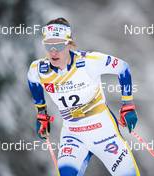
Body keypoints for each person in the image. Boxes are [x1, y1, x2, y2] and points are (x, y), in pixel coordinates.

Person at [27, 17, 141, 176]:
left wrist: (128, 105)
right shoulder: (39, 69)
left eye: (59, 45)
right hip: (73, 136)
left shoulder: (89, 62)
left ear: (69, 43)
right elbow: (33, 81)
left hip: (104, 133)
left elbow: (123, 68)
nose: (53, 51)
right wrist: (41, 112)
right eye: (48, 45)